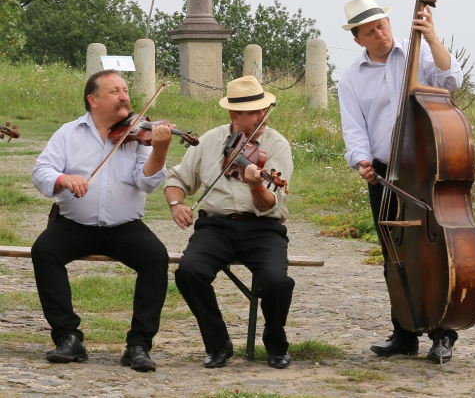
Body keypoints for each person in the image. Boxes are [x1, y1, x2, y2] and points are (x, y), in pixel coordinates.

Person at [338, 0, 464, 363]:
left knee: (439, 249)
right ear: (358, 39)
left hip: (428, 169)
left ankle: (443, 332)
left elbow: (451, 79)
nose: (381, 34)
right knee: (394, 255)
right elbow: (354, 129)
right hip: (385, 174)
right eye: (371, 31)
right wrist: (360, 161)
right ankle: (405, 331)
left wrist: (434, 39)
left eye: (383, 25)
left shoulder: (417, 51)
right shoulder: (351, 77)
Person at [30, 69, 172, 372]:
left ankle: (138, 344)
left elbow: (146, 182)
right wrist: (63, 179)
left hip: (125, 227)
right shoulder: (69, 133)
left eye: (125, 90)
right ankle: (68, 337)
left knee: (155, 257)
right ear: (92, 100)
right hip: (73, 225)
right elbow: (41, 170)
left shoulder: (138, 135)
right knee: (44, 251)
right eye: (115, 91)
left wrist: (158, 150)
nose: (124, 96)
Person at [165, 75, 295, 369]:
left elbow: (271, 203)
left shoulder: (276, 145)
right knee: (189, 272)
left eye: (263, 109)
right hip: (216, 227)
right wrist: (176, 203)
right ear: (234, 116)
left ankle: (275, 342)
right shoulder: (211, 140)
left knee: (277, 282)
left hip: (263, 228)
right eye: (252, 112)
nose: (261, 116)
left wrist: (256, 186)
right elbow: (177, 180)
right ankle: (217, 343)